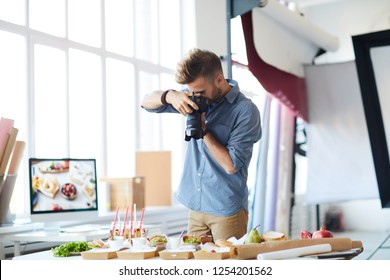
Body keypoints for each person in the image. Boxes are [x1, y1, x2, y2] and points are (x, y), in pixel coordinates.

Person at [141, 48, 261, 241]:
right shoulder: (193, 95)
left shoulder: (245, 111)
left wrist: (204, 130)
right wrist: (170, 96)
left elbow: (231, 165)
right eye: (190, 91)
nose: (195, 96)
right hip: (195, 206)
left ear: (219, 80)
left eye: (200, 91)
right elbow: (146, 102)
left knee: (227, 267)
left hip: (226, 211)